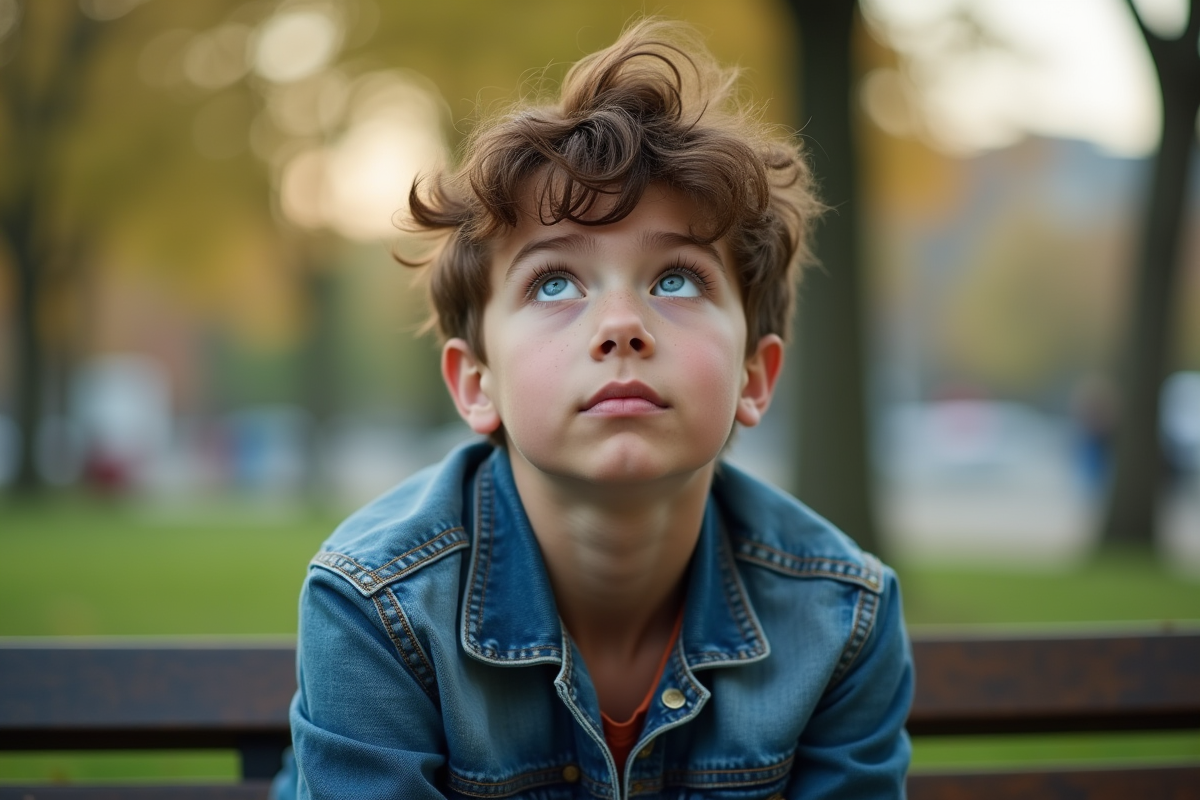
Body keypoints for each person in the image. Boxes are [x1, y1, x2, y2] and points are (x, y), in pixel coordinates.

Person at [273, 19, 912, 800]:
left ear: (754, 375)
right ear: (476, 383)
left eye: (676, 279)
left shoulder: (841, 617)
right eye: (554, 283)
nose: (621, 326)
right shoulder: (380, 605)